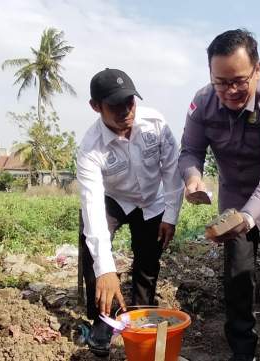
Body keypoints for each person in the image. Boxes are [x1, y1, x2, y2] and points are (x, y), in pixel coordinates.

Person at [178, 29, 260, 361]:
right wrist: (193, 180)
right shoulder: (202, 102)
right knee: (237, 280)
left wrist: (249, 217)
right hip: (234, 199)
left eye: (238, 81)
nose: (230, 91)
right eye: (221, 82)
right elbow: (189, 150)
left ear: (257, 70)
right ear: (210, 75)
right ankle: (242, 352)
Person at [77, 68, 183, 357]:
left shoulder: (155, 124)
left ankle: (140, 314)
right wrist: (106, 269)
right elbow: (93, 207)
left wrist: (170, 216)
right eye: (115, 106)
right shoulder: (90, 148)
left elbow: (172, 171)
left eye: (130, 102)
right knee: (93, 251)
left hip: (151, 199)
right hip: (113, 199)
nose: (125, 111)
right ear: (95, 106)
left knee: (148, 261)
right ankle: (103, 318)